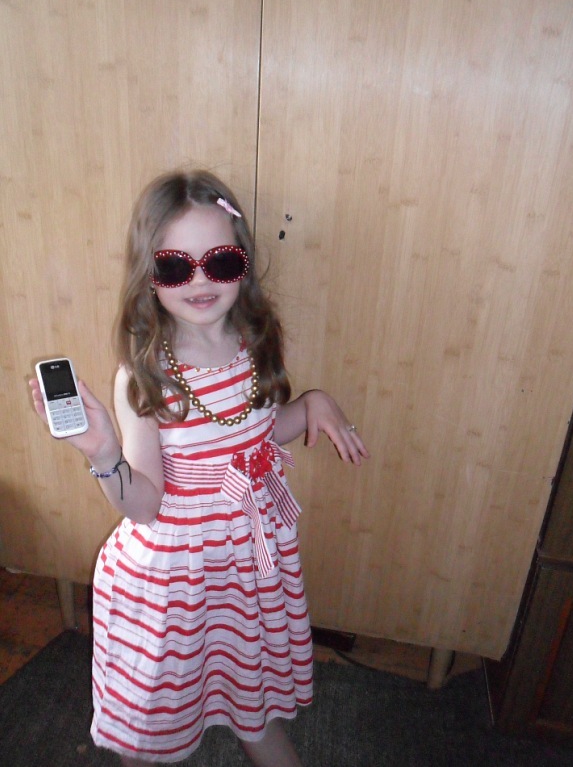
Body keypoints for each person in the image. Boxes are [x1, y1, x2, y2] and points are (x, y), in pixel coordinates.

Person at [30, 169, 369, 766]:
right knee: (159, 711)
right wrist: (104, 454)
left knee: (246, 682)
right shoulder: (144, 374)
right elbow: (145, 506)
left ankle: (251, 719)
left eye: (220, 261)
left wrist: (311, 405)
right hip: (175, 576)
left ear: (244, 262)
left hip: (245, 560)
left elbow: (257, 435)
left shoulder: (255, 341)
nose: (200, 281)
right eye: (174, 267)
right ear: (149, 275)